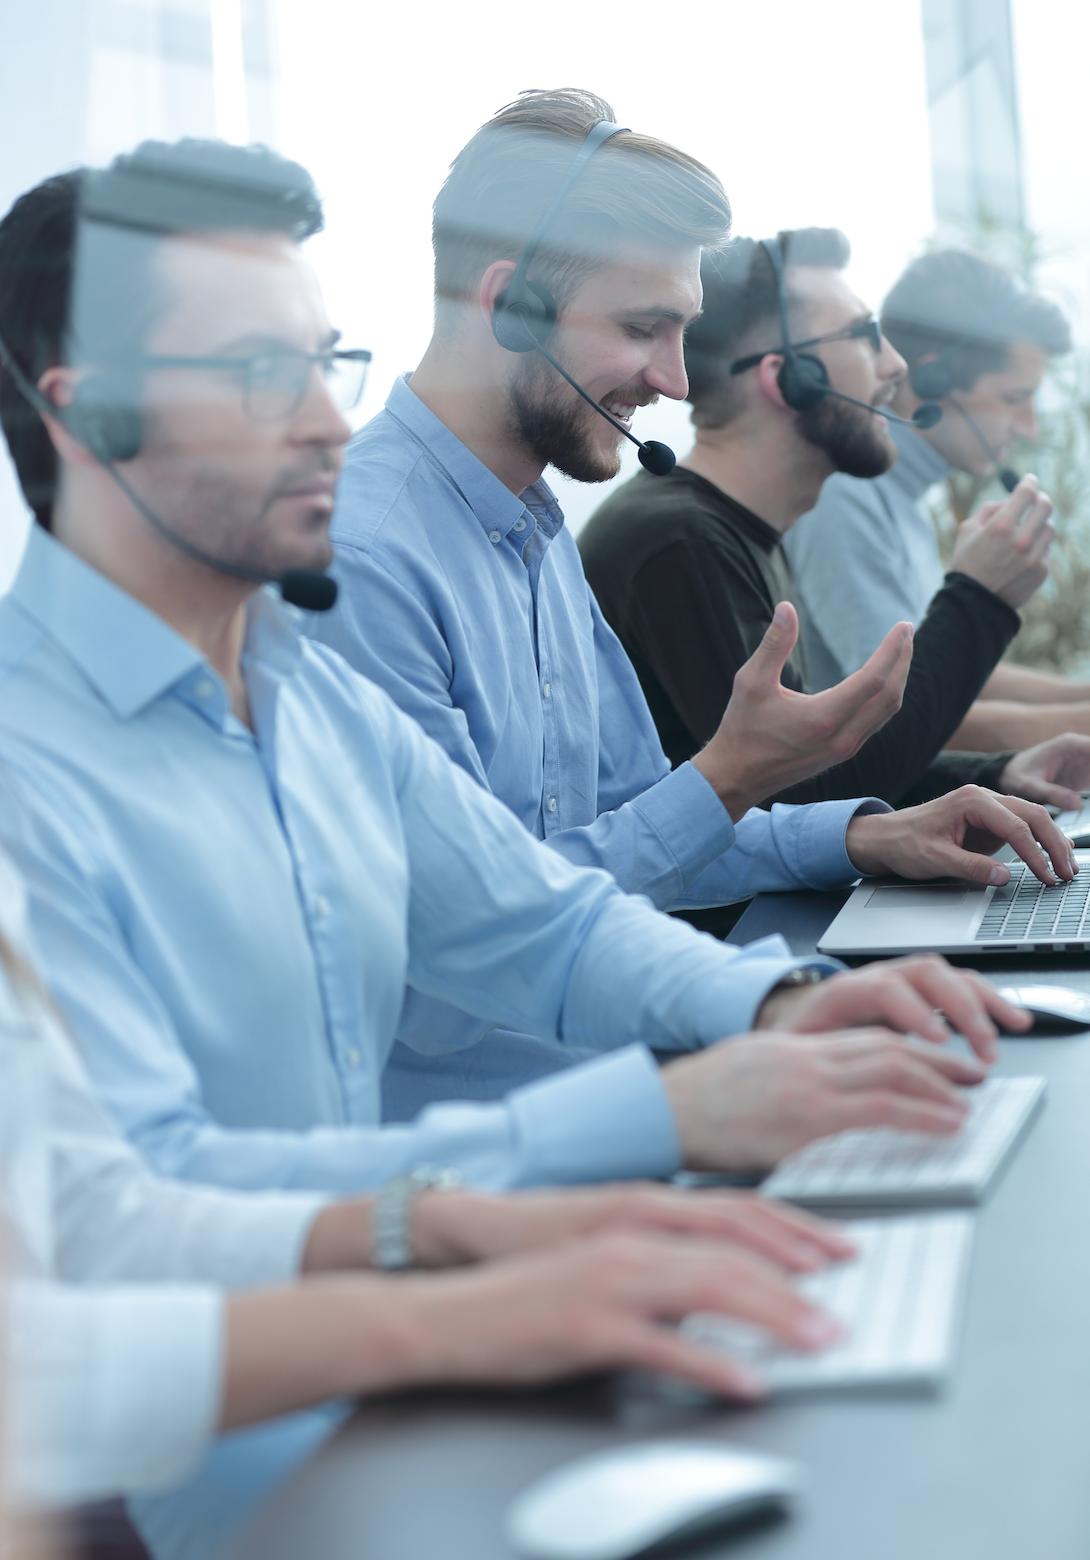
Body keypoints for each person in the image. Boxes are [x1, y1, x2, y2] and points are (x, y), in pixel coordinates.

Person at [0, 138, 1051, 1218]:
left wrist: (784, 1000)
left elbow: (540, 915)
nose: (325, 423)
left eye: (324, 366)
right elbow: (143, 1203)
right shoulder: (39, 770)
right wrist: (665, 1109)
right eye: (266, 375)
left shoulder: (309, 693)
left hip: (443, 1234)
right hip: (411, 1249)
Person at [312, 90, 1068, 1113]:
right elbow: (474, 937)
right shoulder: (364, 558)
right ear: (510, 304)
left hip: (623, 1082)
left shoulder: (531, 527)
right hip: (507, 1140)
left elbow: (625, 822)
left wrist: (859, 834)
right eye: (643, 328)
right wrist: (730, 787)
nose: (674, 378)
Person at [0, 847, 852, 1559]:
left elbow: (92, 1211)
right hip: (183, 1425)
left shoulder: (317, 693)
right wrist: (440, 1319)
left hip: (273, 1344)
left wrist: (455, 1225)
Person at [578, 230, 1090, 814]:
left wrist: (999, 772)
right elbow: (803, 802)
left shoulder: (738, 532)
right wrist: (979, 599)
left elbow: (814, 770)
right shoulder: (680, 544)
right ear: (791, 378)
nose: (894, 366)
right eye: (865, 338)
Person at [785, 248, 1090, 750]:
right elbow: (898, 710)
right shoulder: (846, 497)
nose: (1030, 428)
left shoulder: (903, 500)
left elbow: (956, 674)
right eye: (1016, 398)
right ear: (934, 381)